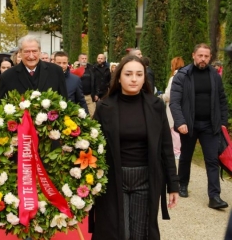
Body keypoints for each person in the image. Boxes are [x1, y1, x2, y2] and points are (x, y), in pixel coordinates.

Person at [91, 55, 179, 240]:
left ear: (144, 78)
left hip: (146, 178)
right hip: (114, 178)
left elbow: (166, 147)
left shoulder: (156, 106)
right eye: (128, 74)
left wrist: (173, 185)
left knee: (140, 233)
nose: (134, 79)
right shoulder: (104, 107)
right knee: (118, 232)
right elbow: (92, 147)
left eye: (139, 74)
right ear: (119, 76)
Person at [170, 43, 229, 209]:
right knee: (186, 156)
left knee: (212, 160)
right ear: (193, 55)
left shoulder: (215, 76)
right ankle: (182, 184)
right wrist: (180, 122)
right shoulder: (182, 75)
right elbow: (175, 102)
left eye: (206, 56)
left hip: (210, 126)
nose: (203, 59)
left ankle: (214, 197)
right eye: (200, 56)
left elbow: (222, 101)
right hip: (189, 125)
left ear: (210, 58)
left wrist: (222, 123)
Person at [0, 35, 67, 99]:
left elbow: (64, 102)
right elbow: (4, 106)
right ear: (20, 52)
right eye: (27, 52)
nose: (31, 56)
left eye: (34, 51)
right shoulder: (7, 76)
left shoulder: (56, 71)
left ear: (40, 51)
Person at [160, 56, 184, 159]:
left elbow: (169, 95)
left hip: (173, 107)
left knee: (174, 129)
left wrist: (161, 97)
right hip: (182, 106)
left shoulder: (174, 78)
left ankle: (176, 151)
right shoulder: (185, 76)